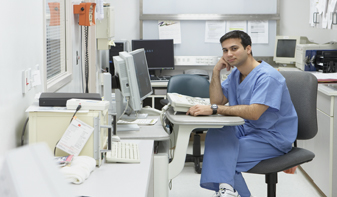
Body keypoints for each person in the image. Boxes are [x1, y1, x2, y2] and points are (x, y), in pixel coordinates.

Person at [186, 30, 298, 197]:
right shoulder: (236, 74)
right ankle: (228, 190)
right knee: (217, 132)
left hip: (272, 137)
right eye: (225, 50)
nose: (229, 54)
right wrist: (216, 71)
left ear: (248, 49)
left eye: (234, 48)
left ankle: (229, 191)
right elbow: (217, 100)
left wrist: (215, 109)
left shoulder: (267, 77)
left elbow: (253, 113)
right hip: (247, 129)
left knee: (222, 157)